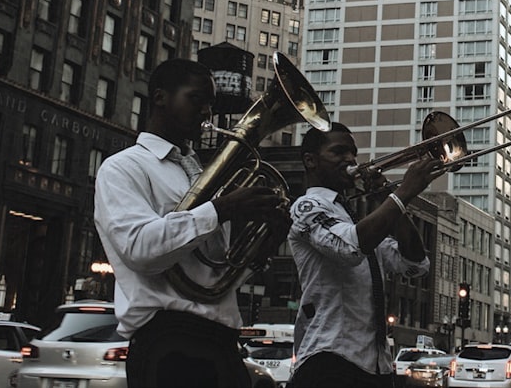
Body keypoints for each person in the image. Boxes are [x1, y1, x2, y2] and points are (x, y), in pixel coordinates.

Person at [94, 58, 287, 388]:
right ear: (160, 97)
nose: (207, 113)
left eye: (210, 103)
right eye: (196, 99)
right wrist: (221, 209)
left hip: (221, 339)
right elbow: (140, 250)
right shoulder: (122, 168)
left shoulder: (198, 173)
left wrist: (266, 244)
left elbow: (217, 272)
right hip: (168, 342)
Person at [287, 123, 441, 388]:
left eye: (352, 153)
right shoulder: (306, 207)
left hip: (376, 364)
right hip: (329, 357)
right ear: (310, 160)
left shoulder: (353, 218)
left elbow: (415, 264)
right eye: (338, 152)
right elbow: (349, 248)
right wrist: (403, 192)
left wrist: (388, 195)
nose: (349, 159)